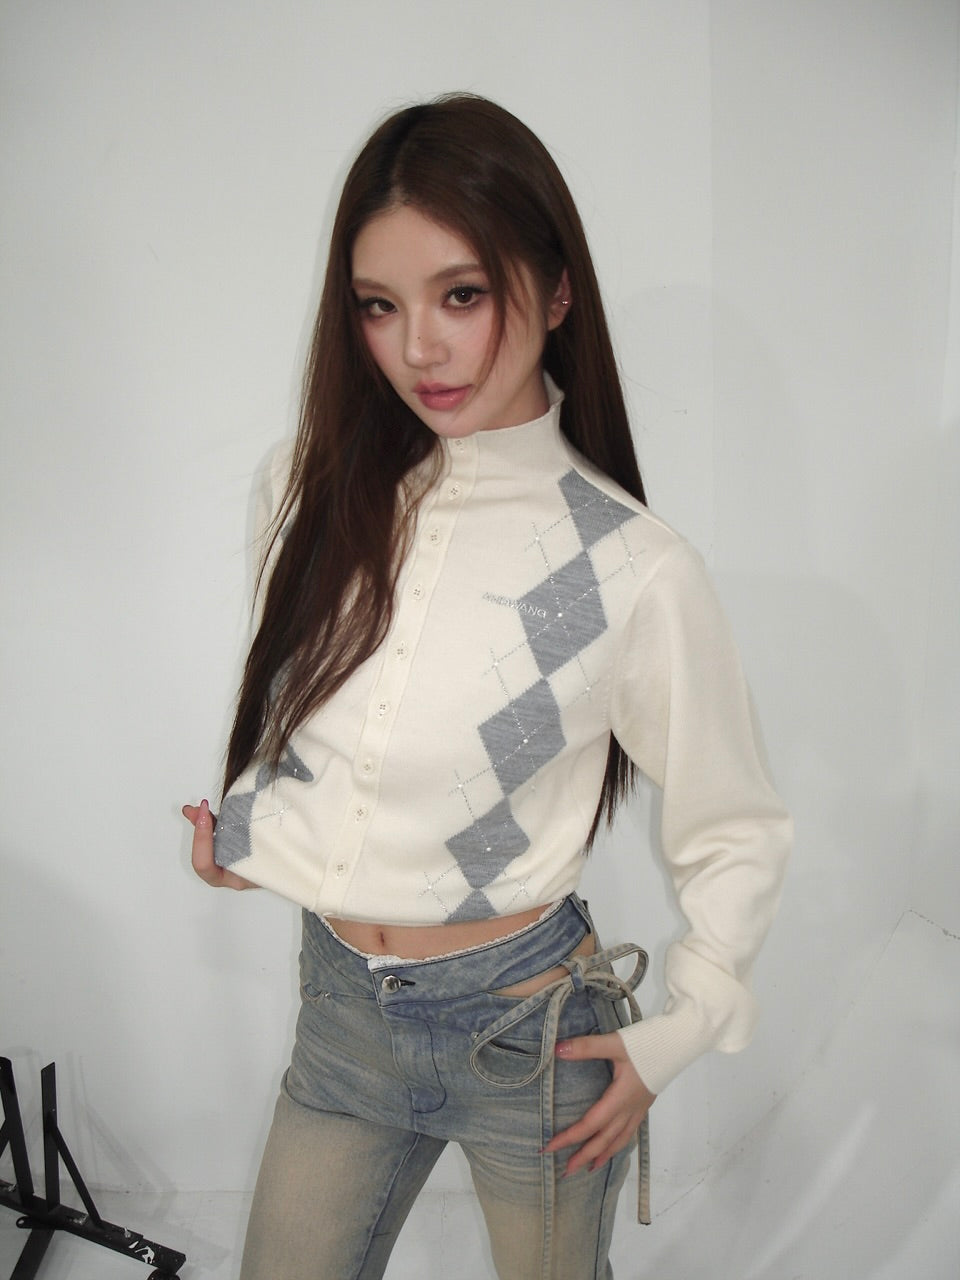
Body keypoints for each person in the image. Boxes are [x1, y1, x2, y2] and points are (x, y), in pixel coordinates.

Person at [183, 93, 791, 1280]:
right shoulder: (303, 487)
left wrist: (680, 1028)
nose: (419, 347)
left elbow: (736, 822)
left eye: (460, 295)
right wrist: (257, 830)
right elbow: (307, 699)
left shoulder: (630, 566)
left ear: (557, 293)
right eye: (379, 304)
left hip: (531, 1032)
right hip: (342, 1015)